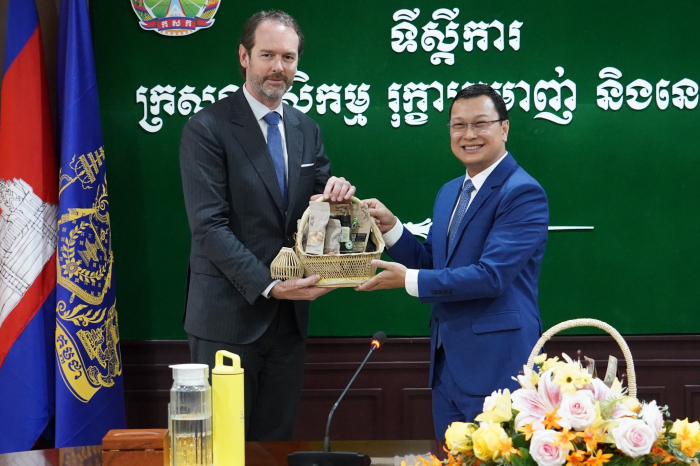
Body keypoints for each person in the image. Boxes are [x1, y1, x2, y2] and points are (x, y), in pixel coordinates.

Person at [179, 10, 354, 441]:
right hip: (226, 320)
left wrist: (338, 196)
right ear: (244, 57)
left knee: (275, 447)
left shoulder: (305, 129)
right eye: (268, 55)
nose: (279, 67)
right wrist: (271, 285)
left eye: (288, 57)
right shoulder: (207, 128)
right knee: (222, 448)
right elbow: (209, 227)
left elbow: (316, 208)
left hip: (289, 323)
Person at [357, 84, 549, 438]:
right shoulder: (449, 192)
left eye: (480, 123)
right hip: (447, 369)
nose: (468, 134)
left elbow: (491, 276)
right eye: (458, 125)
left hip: (500, 367)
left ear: (504, 128)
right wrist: (392, 228)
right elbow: (434, 263)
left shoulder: (522, 192)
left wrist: (408, 281)